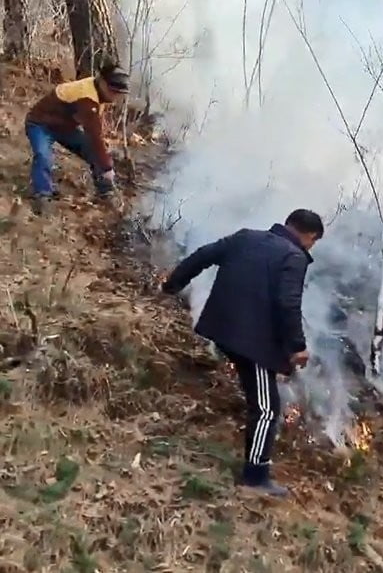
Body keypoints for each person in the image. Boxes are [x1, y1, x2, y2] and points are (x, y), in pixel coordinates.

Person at [161, 209, 324, 497]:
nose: (311, 247)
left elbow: (202, 255)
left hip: (223, 329)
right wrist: (296, 347)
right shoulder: (294, 257)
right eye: (313, 242)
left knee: (261, 401)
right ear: (309, 236)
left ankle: (255, 473)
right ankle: (255, 478)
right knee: (266, 409)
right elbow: (287, 303)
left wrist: (173, 284)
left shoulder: (246, 237)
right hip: (253, 343)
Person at [24, 63, 131, 215]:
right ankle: (43, 196)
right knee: (43, 156)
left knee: (91, 150)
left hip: (63, 128)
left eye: (118, 94)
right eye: (112, 91)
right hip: (39, 124)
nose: (114, 97)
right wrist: (107, 167)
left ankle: (105, 191)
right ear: (102, 82)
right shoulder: (87, 97)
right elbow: (94, 135)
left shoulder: (98, 92)